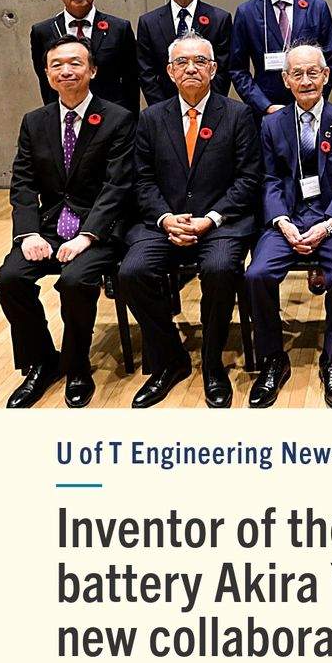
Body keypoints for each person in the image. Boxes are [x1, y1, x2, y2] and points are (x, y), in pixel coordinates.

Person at [120, 33, 261, 409]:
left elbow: (249, 178)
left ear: (214, 69)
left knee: (218, 269)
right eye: (182, 62)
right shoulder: (151, 118)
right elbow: (142, 179)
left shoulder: (238, 114)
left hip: (221, 222)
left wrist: (209, 220)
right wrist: (167, 219)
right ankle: (171, 359)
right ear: (169, 71)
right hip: (164, 223)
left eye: (200, 61)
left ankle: (213, 362)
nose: (191, 68)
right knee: (131, 273)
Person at [0, 36, 134, 408]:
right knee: (9, 279)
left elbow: (117, 185)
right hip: (49, 227)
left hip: (98, 230)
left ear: (92, 70)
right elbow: (23, 181)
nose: (66, 70)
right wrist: (27, 233)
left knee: (74, 282)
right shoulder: (35, 122)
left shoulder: (117, 118)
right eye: (57, 65)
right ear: (47, 73)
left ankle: (77, 365)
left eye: (75, 63)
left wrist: (88, 235)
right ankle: (41, 362)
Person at [246, 44, 332, 409]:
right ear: (285, 80)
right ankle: (273, 358)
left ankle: (331, 359)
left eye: (313, 72)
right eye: (296, 74)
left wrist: (328, 225)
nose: (305, 80)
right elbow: (267, 179)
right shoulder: (271, 123)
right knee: (256, 275)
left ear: (326, 76)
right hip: (289, 216)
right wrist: (282, 222)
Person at [230, 0, 332, 123]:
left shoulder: (316, 7)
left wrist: (313, 100)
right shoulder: (247, 12)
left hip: (312, 110)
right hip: (266, 114)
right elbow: (238, 70)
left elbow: (330, 62)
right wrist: (265, 106)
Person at [30, 0, 140, 116]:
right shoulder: (43, 31)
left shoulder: (119, 28)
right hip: (66, 119)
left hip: (112, 119)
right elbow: (46, 82)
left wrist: (129, 122)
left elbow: (131, 83)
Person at [137, 0, 233, 104]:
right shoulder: (148, 23)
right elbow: (147, 75)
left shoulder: (220, 19)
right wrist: (166, 110)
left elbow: (222, 72)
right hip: (164, 113)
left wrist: (206, 107)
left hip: (209, 110)